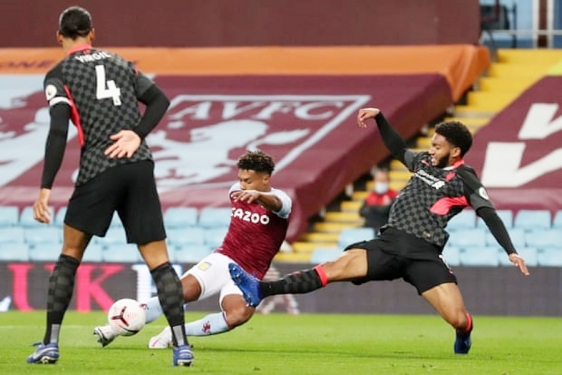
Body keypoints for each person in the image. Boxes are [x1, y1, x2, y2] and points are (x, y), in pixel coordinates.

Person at [229, 107, 530, 355]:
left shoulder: (465, 178)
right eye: (432, 143)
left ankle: (464, 334)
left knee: (457, 318)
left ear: (455, 150)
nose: (430, 148)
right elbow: (398, 147)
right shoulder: (424, 162)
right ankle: (260, 290)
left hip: (424, 253)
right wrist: (380, 118)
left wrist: (510, 250)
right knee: (332, 269)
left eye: (437, 145)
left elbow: (488, 213)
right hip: (389, 242)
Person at [27, 6, 192, 366]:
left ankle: (50, 344)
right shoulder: (120, 63)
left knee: (70, 255)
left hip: (99, 168)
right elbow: (160, 100)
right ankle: (182, 346)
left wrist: (45, 187)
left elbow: (58, 130)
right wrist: (137, 134)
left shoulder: (60, 74)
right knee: (160, 263)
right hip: (138, 167)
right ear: (92, 32)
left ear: (59, 37)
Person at [93, 150, 292, 349]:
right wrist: (250, 191)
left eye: (248, 181)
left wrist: (259, 196)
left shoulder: (281, 200)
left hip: (249, 274)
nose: (242, 185)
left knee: (237, 316)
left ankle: (175, 333)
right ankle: (112, 329)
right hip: (224, 260)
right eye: (240, 179)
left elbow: (278, 205)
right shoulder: (235, 191)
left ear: (266, 178)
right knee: (177, 294)